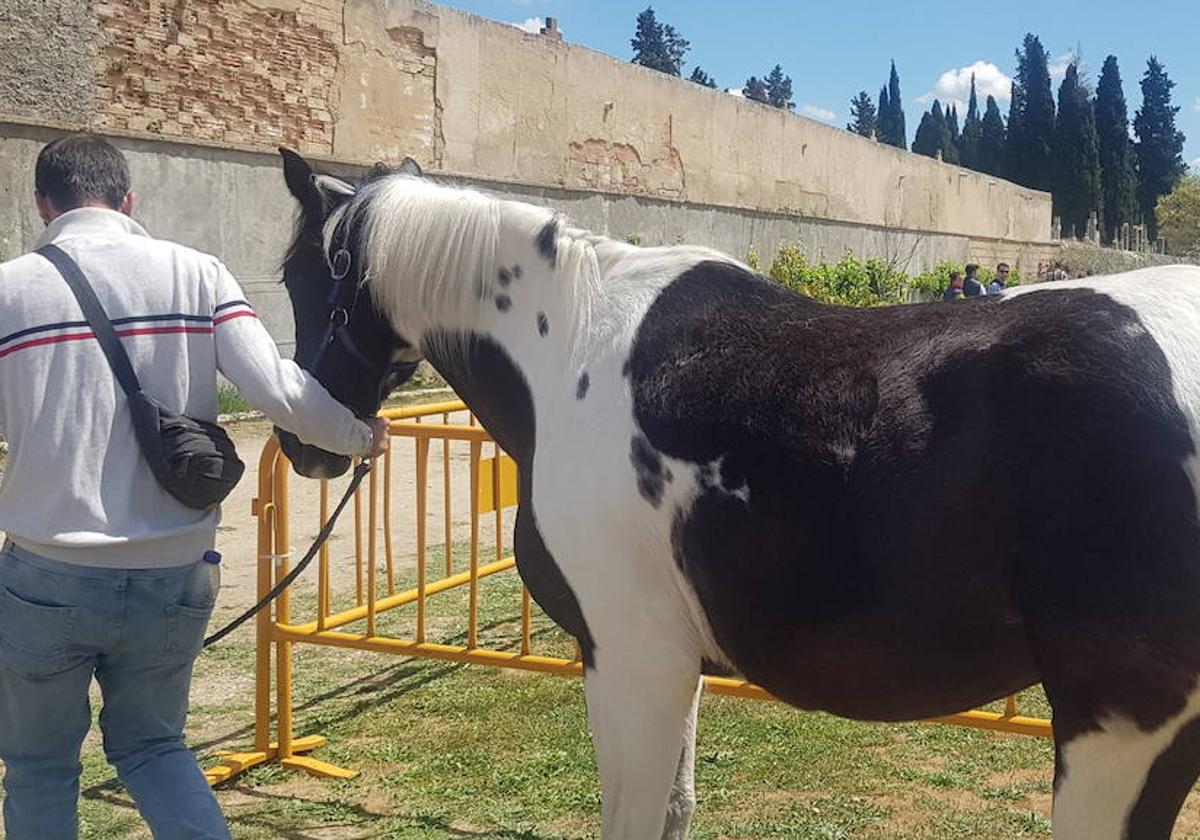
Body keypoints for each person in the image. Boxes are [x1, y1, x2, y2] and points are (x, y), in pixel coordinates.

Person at [0, 134, 389, 840]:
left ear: (42, 205)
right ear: (128, 200)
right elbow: (277, 387)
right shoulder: (198, 273)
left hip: (44, 575)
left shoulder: (8, 290)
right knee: (153, 748)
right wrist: (358, 438)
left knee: (38, 767)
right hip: (173, 571)